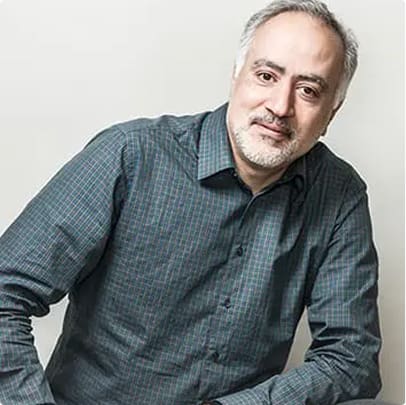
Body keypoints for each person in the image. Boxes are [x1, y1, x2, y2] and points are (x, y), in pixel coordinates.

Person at [0, 0, 385, 404]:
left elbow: (350, 358)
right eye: (266, 75)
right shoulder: (130, 156)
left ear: (331, 112)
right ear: (236, 75)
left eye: (308, 90)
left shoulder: (339, 196)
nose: (280, 106)